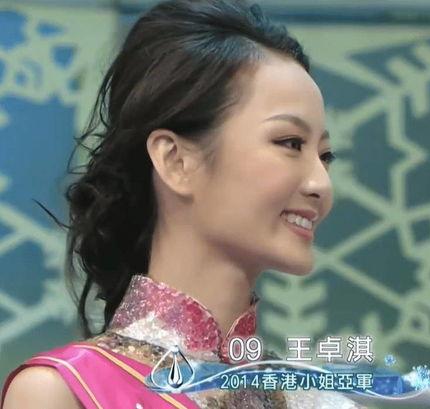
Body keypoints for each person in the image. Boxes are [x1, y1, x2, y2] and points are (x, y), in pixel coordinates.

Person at [1, 0, 365, 407]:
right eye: (290, 143)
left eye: (325, 156)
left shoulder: (318, 401)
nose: (320, 184)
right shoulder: (66, 391)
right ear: (175, 160)